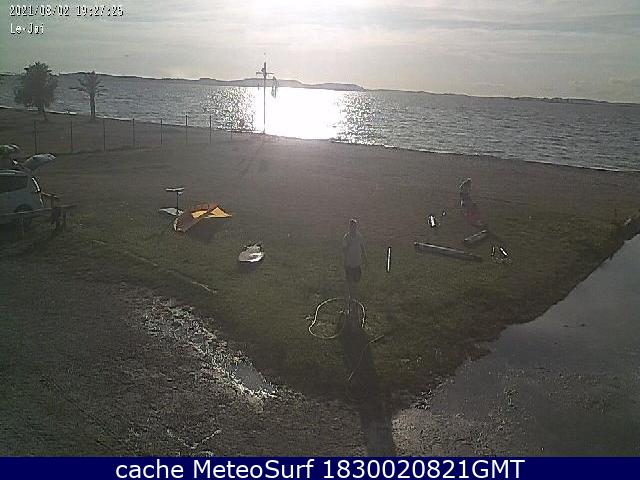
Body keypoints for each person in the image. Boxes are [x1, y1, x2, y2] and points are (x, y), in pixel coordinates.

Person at [343, 218, 366, 312]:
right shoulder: (346, 237)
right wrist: (345, 262)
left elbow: (362, 247)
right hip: (349, 264)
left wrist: (365, 258)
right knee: (349, 284)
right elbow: (344, 250)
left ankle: (354, 301)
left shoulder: (359, 236)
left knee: (356, 284)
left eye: (355, 227)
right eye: (352, 227)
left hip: (357, 264)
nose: (353, 229)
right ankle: (350, 301)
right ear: (349, 227)